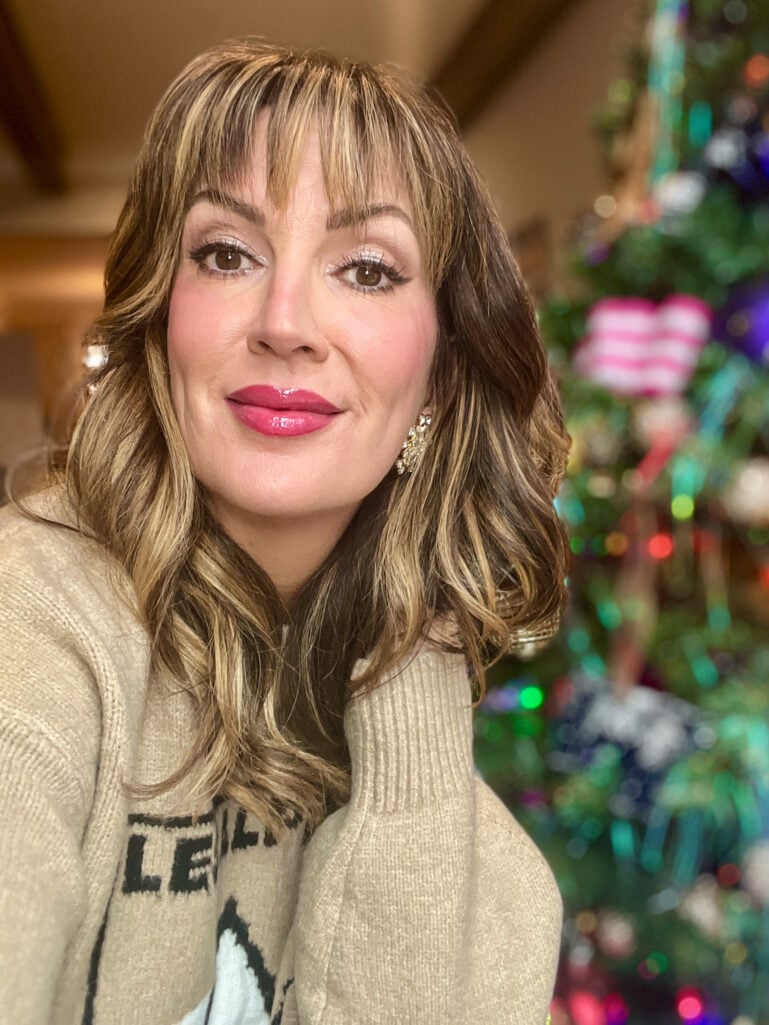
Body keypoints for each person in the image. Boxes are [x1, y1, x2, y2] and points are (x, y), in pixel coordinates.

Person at [0, 39, 570, 1025]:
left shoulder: (502, 888)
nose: (284, 320)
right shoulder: (34, 621)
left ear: (439, 370)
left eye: (365, 266)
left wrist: (418, 651)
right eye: (227, 253)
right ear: (159, 322)